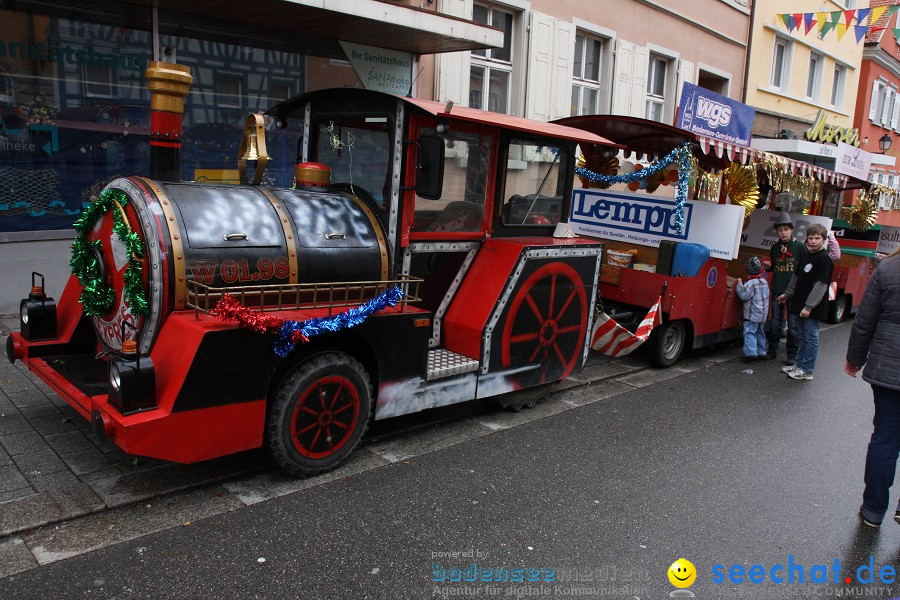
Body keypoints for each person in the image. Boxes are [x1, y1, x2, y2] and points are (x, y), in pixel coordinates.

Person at [844, 247, 900, 528]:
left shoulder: (889, 269)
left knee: (885, 438)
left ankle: (874, 510)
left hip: (888, 369)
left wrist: (855, 358)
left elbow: (865, 320)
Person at [776, 223, 833, 381]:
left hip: (811, 307)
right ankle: (799, 364)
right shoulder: (807, 255)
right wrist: (787, 294)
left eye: (817, 238)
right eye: (811, 238)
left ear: (824, 239)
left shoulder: (824, 259)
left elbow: (821, 285)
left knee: (810, 337)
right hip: (799, 302)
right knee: (801, 336)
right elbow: (796, 276)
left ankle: (807, 369)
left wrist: (809, 307)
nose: (813, 241)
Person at [767, 212, 805, 365]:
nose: (783, 233)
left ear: (791, 230)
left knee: (793, 323)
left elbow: (804, 268)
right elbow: (776, 266)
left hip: (793, 291)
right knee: (776, 322)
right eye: (780, 230)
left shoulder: (799, 247)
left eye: (786, 229)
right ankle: (773, 349)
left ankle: (792, 353)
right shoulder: (775, 248)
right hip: (777, 288)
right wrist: (769, 267)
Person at [735, 256, 770, 362]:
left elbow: (743, 295)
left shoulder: (750, 283)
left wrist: (739, 284)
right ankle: (762, 352)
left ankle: (751, 353)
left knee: (749, 332)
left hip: (752, 314)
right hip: (763, 314)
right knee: (760, 332)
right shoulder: (764, 281)